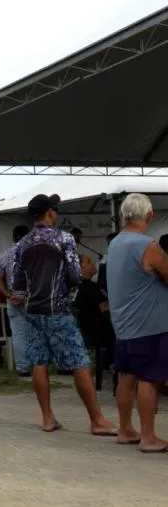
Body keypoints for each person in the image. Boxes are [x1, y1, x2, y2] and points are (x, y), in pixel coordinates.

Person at [10, 193, 116, 435]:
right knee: (80, 362)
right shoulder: (63, 239)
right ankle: (97, 421)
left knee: (39, 362)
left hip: (32, 310)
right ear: (50, 212)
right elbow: (76, 275)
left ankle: (48, 418)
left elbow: (17, 282)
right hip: (58, 308)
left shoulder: (22, 244)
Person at [105, 193, 168, 453]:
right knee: (148, 379)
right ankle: (148, 437)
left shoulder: (116, 243)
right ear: (149, 216)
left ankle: (125, 429)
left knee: (126, 376)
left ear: (122, 215)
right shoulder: (148, 246)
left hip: (123, 323)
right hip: (148, 324)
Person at [0, 225, 31, 376]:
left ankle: (23, 368)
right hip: (32, 299)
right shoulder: (34, 254)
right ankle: (39, 366)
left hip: (13, 299)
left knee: (19, 335)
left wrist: (8, 295)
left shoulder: (4, 255)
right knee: (36, 333)